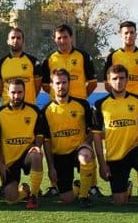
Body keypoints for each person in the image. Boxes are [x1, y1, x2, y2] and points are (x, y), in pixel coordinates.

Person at [41, 24, 100, 197]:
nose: (62, 41)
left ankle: (92, 185)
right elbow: (45, 85)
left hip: (79, 108)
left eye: (65, 37)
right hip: (58, 109)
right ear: (54, 39)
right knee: (56, 143)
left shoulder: (83, 56)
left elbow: (92, 83)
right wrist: (57, 97)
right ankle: (55, 185)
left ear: (71, 38)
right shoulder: (49, 59)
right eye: (59, 38)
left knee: (87, 143)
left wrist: (80, 99)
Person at [93, 64, 138, 209]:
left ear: (127, 80)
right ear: (108, 81)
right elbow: (97, 137)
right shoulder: (100, 104)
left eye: (122, 78)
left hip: (135, 150)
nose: (118, 81)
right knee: (120, 203)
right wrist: (102, 163)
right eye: (115, 78)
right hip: (115, 156)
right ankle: (127, 186)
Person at [104, 20, 138, 197]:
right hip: (118, 106)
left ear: (136, 34)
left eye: (132, 32)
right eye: (125, 33)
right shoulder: (113, 56)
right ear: (120, 35)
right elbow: (107, 83)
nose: (129, 35)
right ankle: (126, 183)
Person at [41, 68, 97, 208]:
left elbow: (93, 131)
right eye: (57, 83)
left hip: (78, 151)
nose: (61, 86)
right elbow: (46, 142)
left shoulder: (82, 105)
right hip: (60, 156)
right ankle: (77, 188)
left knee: (85, 155)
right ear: (52, 85)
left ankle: (84, 196)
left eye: (64, 82)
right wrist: (51, 167)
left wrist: (86, 143)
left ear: (69, 83)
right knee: (67, 199)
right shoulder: (46, 110)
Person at [0, 79, 44, 209]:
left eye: (20, 92)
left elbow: (39, 134)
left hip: (27, 155)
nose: (16, 96)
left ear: (24, 92)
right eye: (13, 92)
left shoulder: (34, 111)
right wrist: (0, 164)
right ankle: (25, 191)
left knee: (36, 155)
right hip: (10, 161)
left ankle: (34, 196)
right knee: (11, 199)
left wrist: (37, 146)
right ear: (7, 93)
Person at [0, 27, 42, 105]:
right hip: (7, 108)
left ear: (23, 41)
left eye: (18, 38)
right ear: (8, 41)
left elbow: (37, 87)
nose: (15, 40)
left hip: (29, 107)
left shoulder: (34, 62)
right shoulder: (0, 64)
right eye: (13, 38)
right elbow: (0, 90)